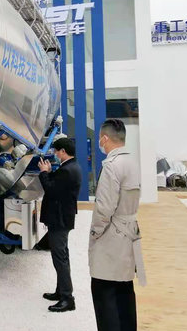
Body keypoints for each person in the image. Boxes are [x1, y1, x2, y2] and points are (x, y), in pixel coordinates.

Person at [89, 119, 146, 331]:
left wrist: (95, 233)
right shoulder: (132, 162)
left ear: (104, 138)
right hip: (129, 232)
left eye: (99, 139)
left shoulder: (111, 166)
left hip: (111, 236)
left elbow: (104, 208)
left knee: (104, 290)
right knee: (124, 290)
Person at [37, 137, 82, 312]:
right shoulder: (71, 167)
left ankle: (67, 299)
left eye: (56, 151)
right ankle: (60, 291)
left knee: (60, 259)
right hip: (63, 218)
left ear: (63, 151)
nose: (55, 154)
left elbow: (51, 189)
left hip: (59, 219)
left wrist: (44, 172)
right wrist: (49, 172)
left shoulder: (67, 170)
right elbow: (57, 187)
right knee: (62, 256)